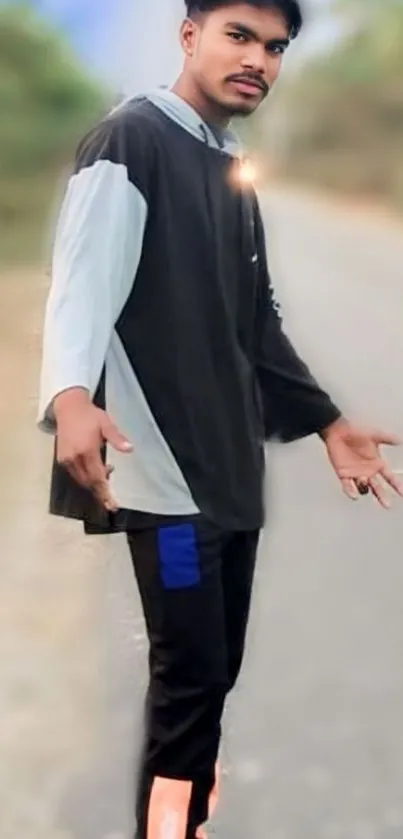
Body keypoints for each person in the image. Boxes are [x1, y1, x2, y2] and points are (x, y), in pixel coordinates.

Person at [37, 1, 403, 836]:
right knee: (189, 678)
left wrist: (327, 422)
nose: (259, 60)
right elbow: (79, 283)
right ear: (190, 34)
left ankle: (186, 817)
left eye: (274, 48)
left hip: (228, 469)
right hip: (165, 484)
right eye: (240, 36)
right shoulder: (132, 140)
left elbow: (256, 322)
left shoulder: (227, 162)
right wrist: (69, 399)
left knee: (214, 673)